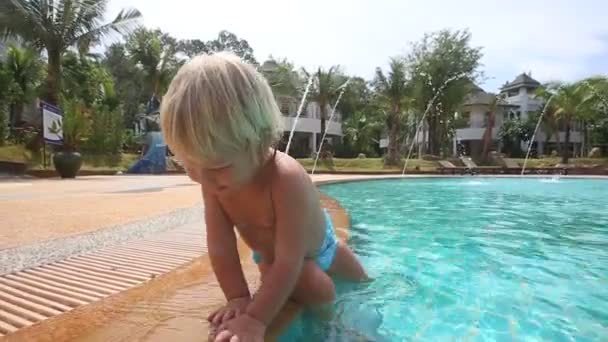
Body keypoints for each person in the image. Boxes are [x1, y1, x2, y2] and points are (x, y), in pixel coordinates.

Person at [160, 52, 368, 342]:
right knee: (317, 289)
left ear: (258, 141)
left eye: (217, 168)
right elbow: (221, 246)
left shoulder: (285, 178)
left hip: (321, 245)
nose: (203, 179)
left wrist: (255, 320)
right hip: (276, 259)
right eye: (188, 166)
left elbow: (290, 259)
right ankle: (329, 328)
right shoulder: (214, 181)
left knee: (364, 284)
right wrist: (238, 299)